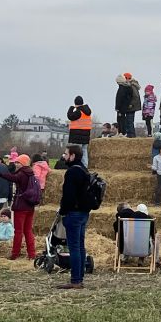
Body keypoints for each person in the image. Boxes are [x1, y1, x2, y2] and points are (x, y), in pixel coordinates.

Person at [58, 144, 92, 289]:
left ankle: (76, 280)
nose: (64, 156)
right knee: (80, 245)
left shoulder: (72, 172)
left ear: (72, 156)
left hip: (73, 213)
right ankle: (80, 276)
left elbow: (69, 196)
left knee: (74, 247)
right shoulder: (84, 170)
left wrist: (63, 211)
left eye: (66, 154)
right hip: (84, 212)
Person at [0, 154, 39, 260]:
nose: (16, 164)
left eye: (18, 162)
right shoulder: (30, 173)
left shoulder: (22, 173)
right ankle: (32, 254)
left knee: (18, 231)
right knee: (28, 230)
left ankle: (15, 253)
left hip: (21, 206)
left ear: (23, 163)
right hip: (30, 206)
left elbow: (12, 178)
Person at [66, 96, 93, 168]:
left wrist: (71, 108)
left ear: (76, 103)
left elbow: (70, 116)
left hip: (77, 135)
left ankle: (78, 166)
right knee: (84, 151)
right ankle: (85, 166)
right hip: (86, 135)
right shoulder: (87, 112)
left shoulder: (78, 112)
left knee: (77, 151)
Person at [115, 72, 141, 137]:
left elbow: (135, 96)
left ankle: (131, 134)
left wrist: (131, 104)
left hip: (131, 106)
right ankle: (129, 134)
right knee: (128, 121)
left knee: (129, 121)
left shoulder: (131, 86)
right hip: (131, 106)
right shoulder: (130, 85)